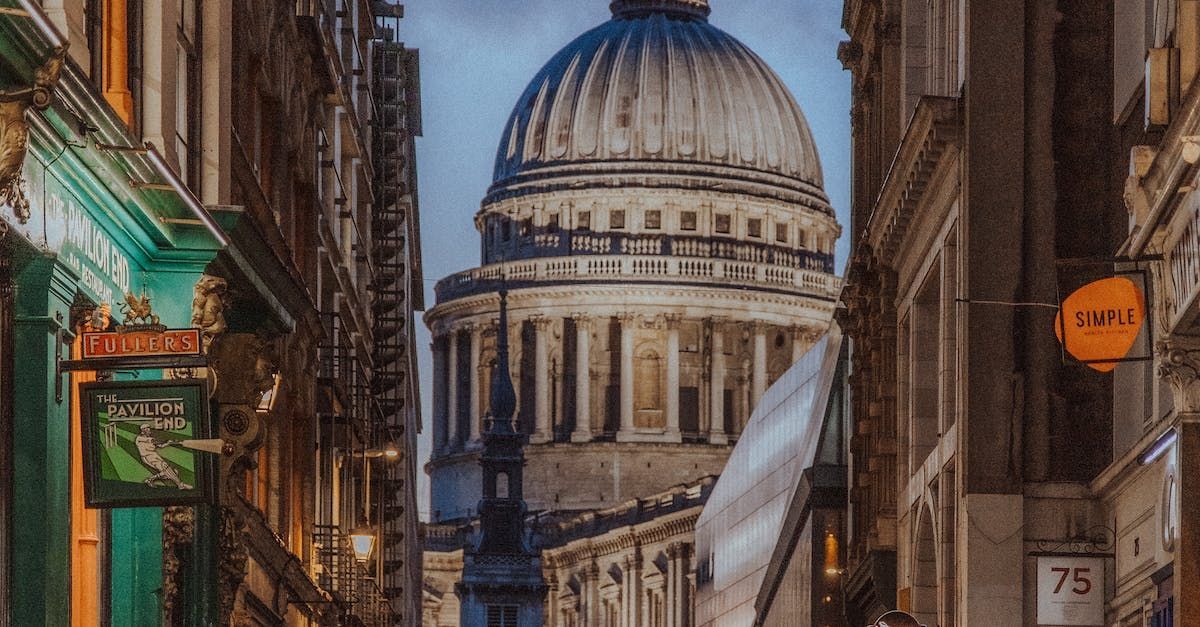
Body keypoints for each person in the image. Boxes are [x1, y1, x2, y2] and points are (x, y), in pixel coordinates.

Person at [135, 424, 192, 490]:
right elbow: (154, 441)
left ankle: (150, 480)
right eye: (147, 429)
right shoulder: (140, 438)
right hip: (148, 457)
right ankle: (181, 485)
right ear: (143, 430)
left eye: (149, 428)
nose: (149, 430)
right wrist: (169, 441)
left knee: (171, 472)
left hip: (154, 456)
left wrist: (169, 443)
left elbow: (161, 446)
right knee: (166, 467)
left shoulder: (149, 438)